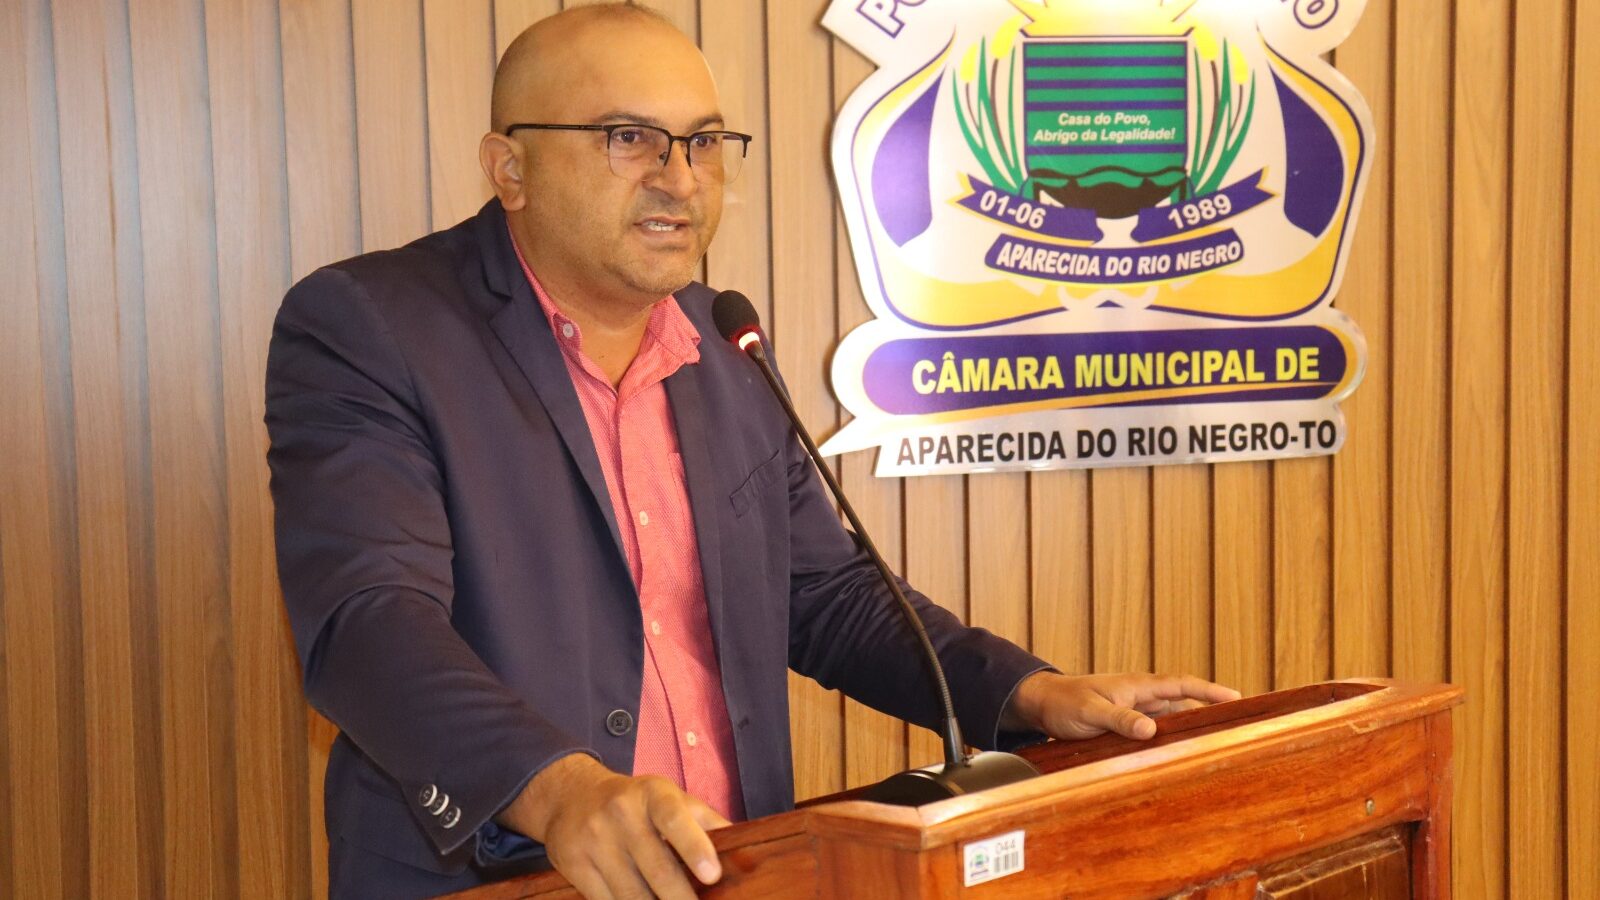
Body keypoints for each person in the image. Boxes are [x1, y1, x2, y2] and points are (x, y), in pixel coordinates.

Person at [264, 4, 1239, 898]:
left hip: (731, 868)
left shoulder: (721, 342)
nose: (680, 178)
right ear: (509, 168)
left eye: (702, 142)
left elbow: (826, 595)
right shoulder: (372, 327)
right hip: (500, 879)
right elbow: (368, 623)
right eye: (629, 137)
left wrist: (1025, 692)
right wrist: (561, 794)